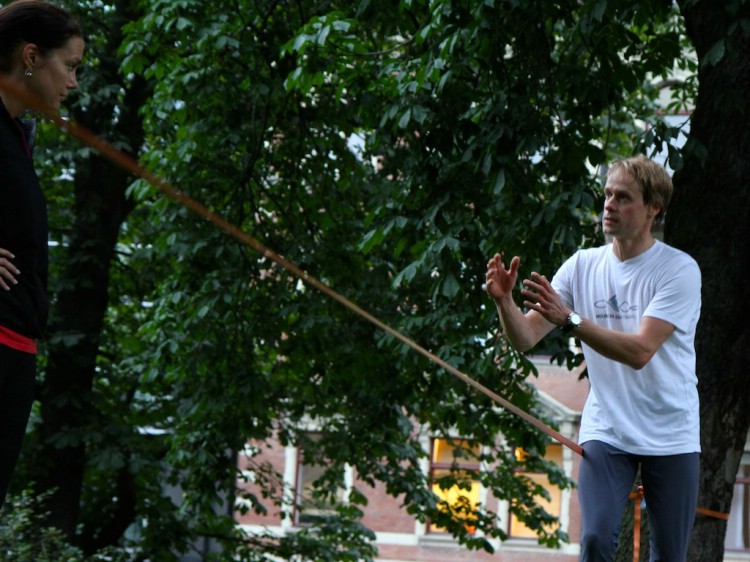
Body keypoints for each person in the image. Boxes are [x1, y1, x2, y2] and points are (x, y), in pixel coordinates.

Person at [485, 154, 701, 561]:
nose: (609, 205)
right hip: (608, 429)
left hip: (671, 431)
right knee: (596, 539)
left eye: (623, 198)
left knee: (670, 555)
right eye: (606, 195)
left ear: (653, 208)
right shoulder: (583, 265)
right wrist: (505, 303)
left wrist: (570, 320)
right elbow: (527, 337)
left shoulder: (678, 270)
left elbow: (640, 351)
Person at [0, 0, 84, 508]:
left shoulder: (16, 135)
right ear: (32, 56)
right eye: (70, 66)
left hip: (16, 350)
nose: (73, 82)